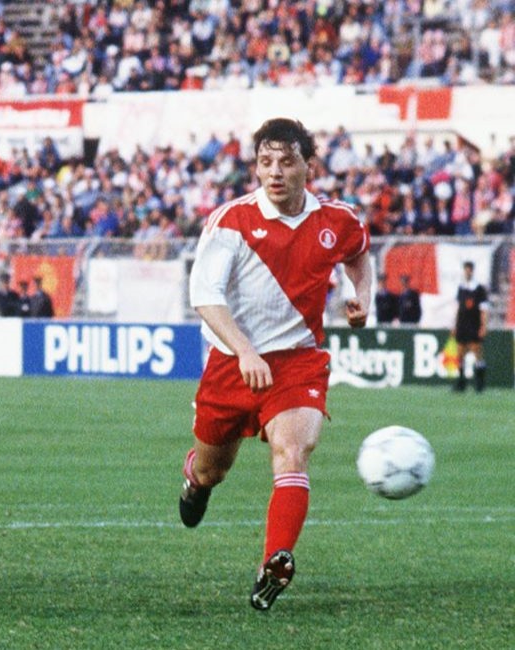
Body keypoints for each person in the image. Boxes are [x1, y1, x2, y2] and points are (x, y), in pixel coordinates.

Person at [179, 118, 372, 611]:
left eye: (287, 162)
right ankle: (195, 481)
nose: (275, 172)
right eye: (265, 162)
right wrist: (244, 350)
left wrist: (362, 297)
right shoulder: (231, 221)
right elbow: (205, 296)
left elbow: (358, 254)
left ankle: (273, 562)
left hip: (298, 362)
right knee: (213, 470)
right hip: (232, 362)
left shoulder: (337, 220)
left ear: (309, 166)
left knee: (292, 452)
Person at [451, 261, 488, 392]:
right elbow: (458, 308)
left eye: (469, 270)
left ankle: (479, 383)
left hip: (474, 324)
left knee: (476, 351)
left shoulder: (479, 289)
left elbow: (484, 309)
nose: (467, 272)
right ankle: (461, 382)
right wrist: (455, 325)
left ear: (472, 271)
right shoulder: (461, 288)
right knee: (460, 353)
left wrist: (483, 326)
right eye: (466, 270)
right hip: (462, 324)